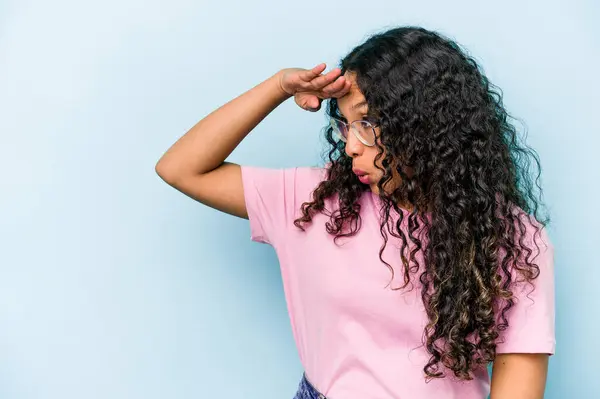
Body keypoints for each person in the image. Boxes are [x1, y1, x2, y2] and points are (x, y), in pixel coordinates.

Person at [155, 26, 555, 399]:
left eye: (366, 123)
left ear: (424, 124)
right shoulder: (315, 201)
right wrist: (278, 86)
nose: (350, 147)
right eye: (346, 126)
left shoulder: (514, 237)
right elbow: (181, 168)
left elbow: (517, 381)